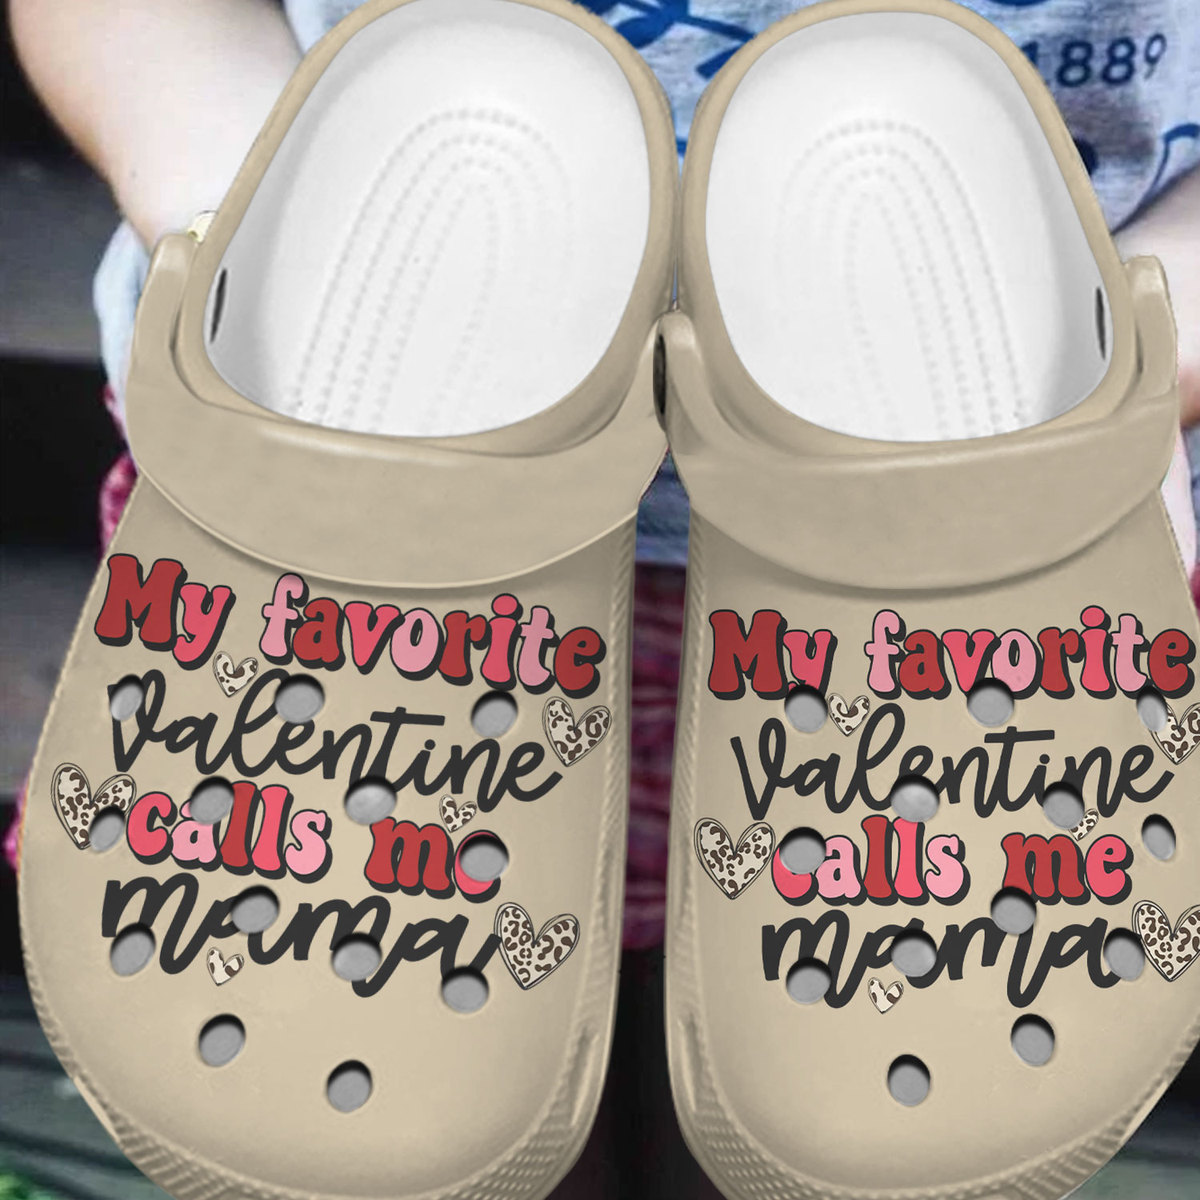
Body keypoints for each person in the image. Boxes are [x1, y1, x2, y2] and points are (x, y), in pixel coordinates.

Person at [7, 0, 1200, 950]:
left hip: (986, 550)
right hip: (357, 511)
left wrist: (1118, 369)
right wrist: (272, 247)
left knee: (861, 1031)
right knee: (384, 1012)